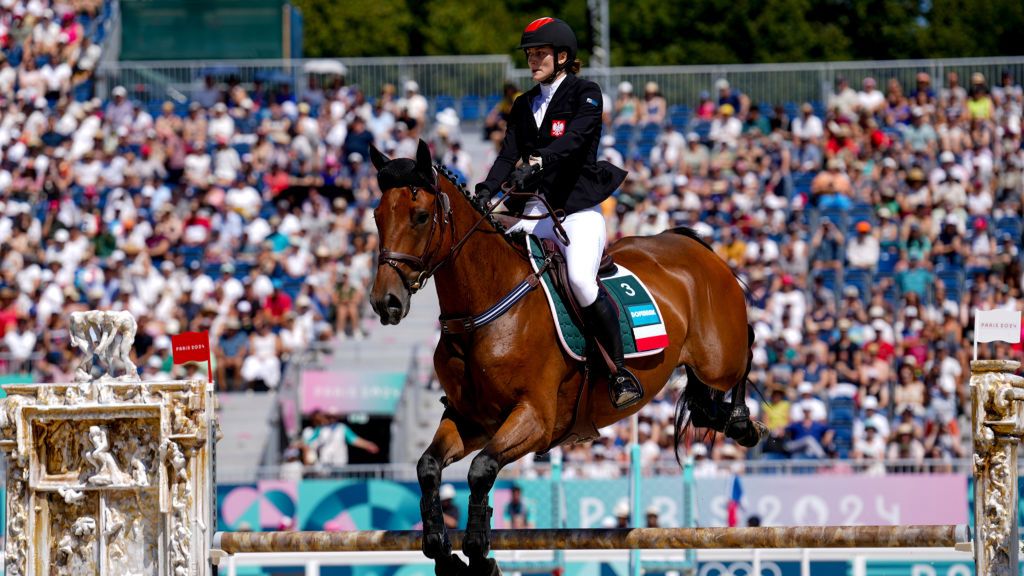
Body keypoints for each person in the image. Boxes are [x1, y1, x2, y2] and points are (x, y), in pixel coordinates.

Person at [474, 17, 640, 409]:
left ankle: (619, 372)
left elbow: (575, 140)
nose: (533, 60)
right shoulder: (522, 104)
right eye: (530, 54)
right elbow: (506, 155)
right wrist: (484, 191)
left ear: (563, 56)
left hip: (575, 213)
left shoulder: (586, 94)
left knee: (581, 282)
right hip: (531, 215)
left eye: (540, 54)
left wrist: (541, 160)